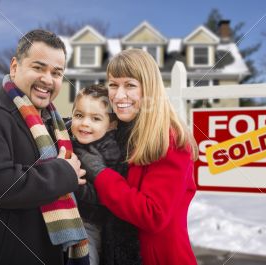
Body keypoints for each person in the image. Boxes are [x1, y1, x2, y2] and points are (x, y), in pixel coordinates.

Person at [0, 29, 90, 265]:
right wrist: (64, 172)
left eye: (56, 73)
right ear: (14, 66)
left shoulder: (59, 128)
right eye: (38, 68)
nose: (48, 79)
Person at [76, 49, 199, 265]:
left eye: (130, 85)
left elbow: (153, 215)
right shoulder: (119, 131)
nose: (119, 95)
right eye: (113, 85)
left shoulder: (169, 139)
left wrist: (100, 173)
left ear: (149, 88)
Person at [70, 84, 142, 265]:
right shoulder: (68, 142)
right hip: (70, 218)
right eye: (79, 115)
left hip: (91, 222)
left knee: (86, 257)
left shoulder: (111, 151)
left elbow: (105, 196)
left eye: (95, 118)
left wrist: (75, 185)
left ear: (111, 125)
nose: (85, 123)